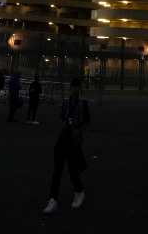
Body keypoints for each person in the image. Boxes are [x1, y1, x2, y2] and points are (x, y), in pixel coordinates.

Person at [42, 77, 91, 214]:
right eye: (73, 87)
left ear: (80, 89)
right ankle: (53, 198)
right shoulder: (66, 103)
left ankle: (79, 191)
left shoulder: (83, 103)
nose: (75, 90)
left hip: (74, 139)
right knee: (57, 170)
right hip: (63, 138)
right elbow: (62, 118)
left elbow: (87, 121)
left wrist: (79, 130)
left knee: (71, 169)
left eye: (77, 87)